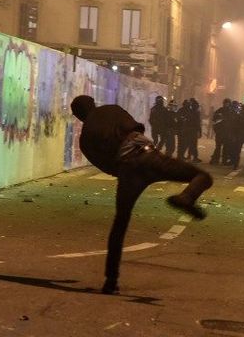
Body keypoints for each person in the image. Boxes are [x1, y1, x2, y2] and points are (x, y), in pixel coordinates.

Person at [70, 95, 213, 294]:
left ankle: (111, 281)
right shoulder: (111, 109)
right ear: (93, 103)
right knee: (202, 176)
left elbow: (106, 166)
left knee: (120, 223)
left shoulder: (85, 139)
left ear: (78, 115)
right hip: (147, 155)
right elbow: (136, 127)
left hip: (126, 170)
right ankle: (187, 197)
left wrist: (126, 170)